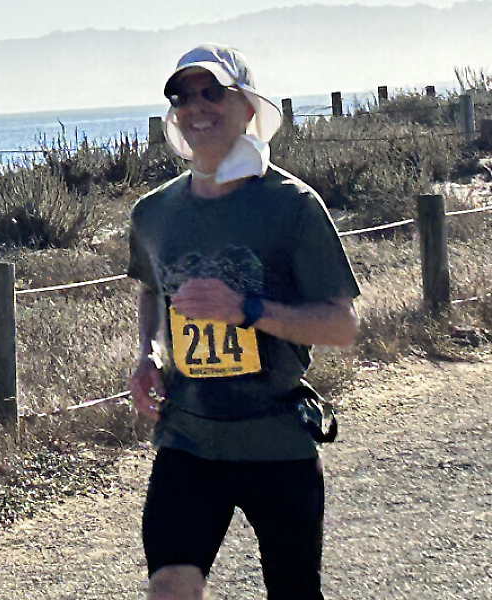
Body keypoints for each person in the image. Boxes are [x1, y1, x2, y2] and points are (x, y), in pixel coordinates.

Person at [128, 43, 360, 600]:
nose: (197, 107)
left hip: (275, 439)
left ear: (248, 106)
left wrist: (247, 310)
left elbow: (342, 325)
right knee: (170, 588)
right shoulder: (152, 213)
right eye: (183, 97)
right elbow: (153, 291)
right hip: (187, 440)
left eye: (213, 92)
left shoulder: (292, 205)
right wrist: (149, 356)